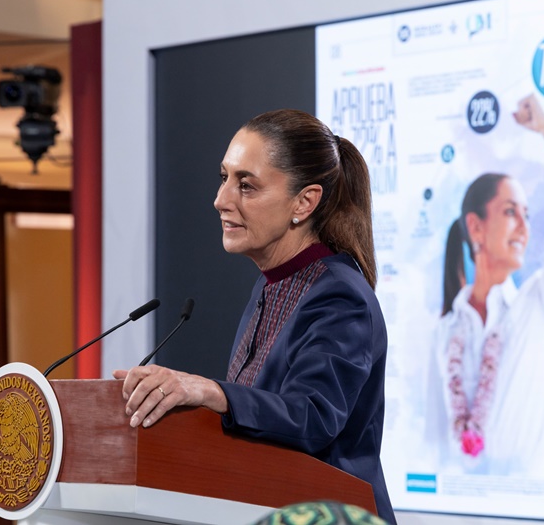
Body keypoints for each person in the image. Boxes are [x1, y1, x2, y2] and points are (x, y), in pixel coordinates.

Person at [113, 109, 396, 523]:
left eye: (245, 185)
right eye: (224, 178)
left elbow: (314, 417)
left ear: (304, 202)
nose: (221, 200)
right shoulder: (270, 285)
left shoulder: (339, 294)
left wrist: (213, 393)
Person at [425, 94, 544, 474]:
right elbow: (432, 442)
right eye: (510, 212)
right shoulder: (445, 331)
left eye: (527, 214)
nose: (524, 227)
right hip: (457, 498)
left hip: (532, 495)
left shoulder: (539, 303)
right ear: (476, 227)